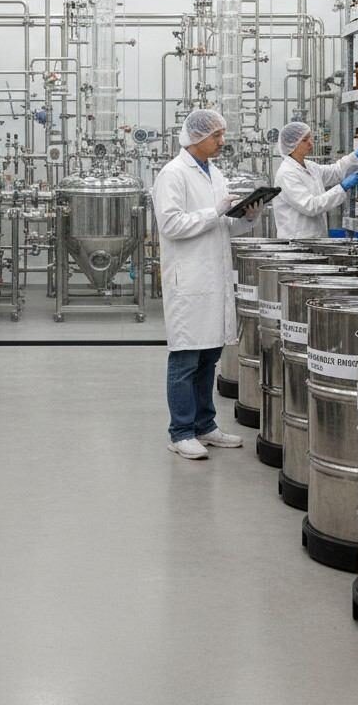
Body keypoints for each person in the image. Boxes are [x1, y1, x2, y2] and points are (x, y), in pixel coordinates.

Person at [152, 109, 261, 460]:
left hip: (213, 277)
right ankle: (180, 431)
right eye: (217, 135)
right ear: (198, 137)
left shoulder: (214, 172)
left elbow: (222, 226)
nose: (222, 141)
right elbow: (171, 225)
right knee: (185, 359)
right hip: (189, 280)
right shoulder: (172, 174)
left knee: (209, 357)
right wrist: (215, 211)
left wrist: (247, 216)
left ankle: (205, 425)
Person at [271, 122, 358, 239]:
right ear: (292, 145)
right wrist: (342, 187)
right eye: (304, 140)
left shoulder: (310, 166)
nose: (310, 143)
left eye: (310, 138)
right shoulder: (287, 173)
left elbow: (335, 171)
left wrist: (356, 155)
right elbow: (311, 206)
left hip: (315, 238)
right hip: (296, 241)